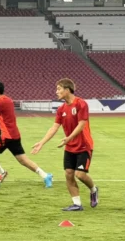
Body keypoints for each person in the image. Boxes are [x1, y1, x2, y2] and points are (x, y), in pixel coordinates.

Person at [32, 78, 98, 211]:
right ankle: (77, 204)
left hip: (84, 145)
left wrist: (69, 137)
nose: (56, 92)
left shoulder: (81, 104)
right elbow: (54, 127)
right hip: (70, 146)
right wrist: (42, 143)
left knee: (80, 174)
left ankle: (93, 189)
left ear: (67, 89)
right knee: (68, 174)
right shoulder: (61, 109)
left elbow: (82, 124)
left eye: (59, 89)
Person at [0, 81, 53, 189]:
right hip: (14, 134)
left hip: (7, 136)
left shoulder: (0, 102)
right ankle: (45, 175)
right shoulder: (8, 100)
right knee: (23, 160)